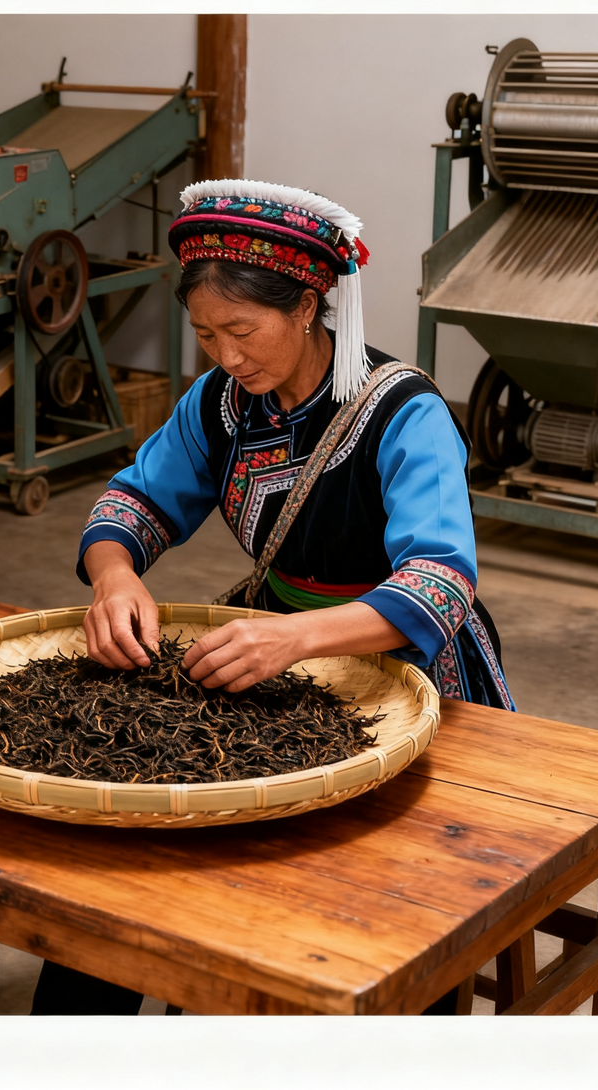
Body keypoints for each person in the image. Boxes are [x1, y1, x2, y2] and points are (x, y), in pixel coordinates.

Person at [29, 179, 513, 1016]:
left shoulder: (402, 411)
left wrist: (291, 641)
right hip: (275, 653)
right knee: (151, 834)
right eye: (206, 334)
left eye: (243, 331)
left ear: (309, 308)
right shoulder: (220, 406)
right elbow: (136, 502)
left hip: (409, 660)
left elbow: (439, 583)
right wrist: (114, 577)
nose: (226, 357)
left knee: (393, 892)